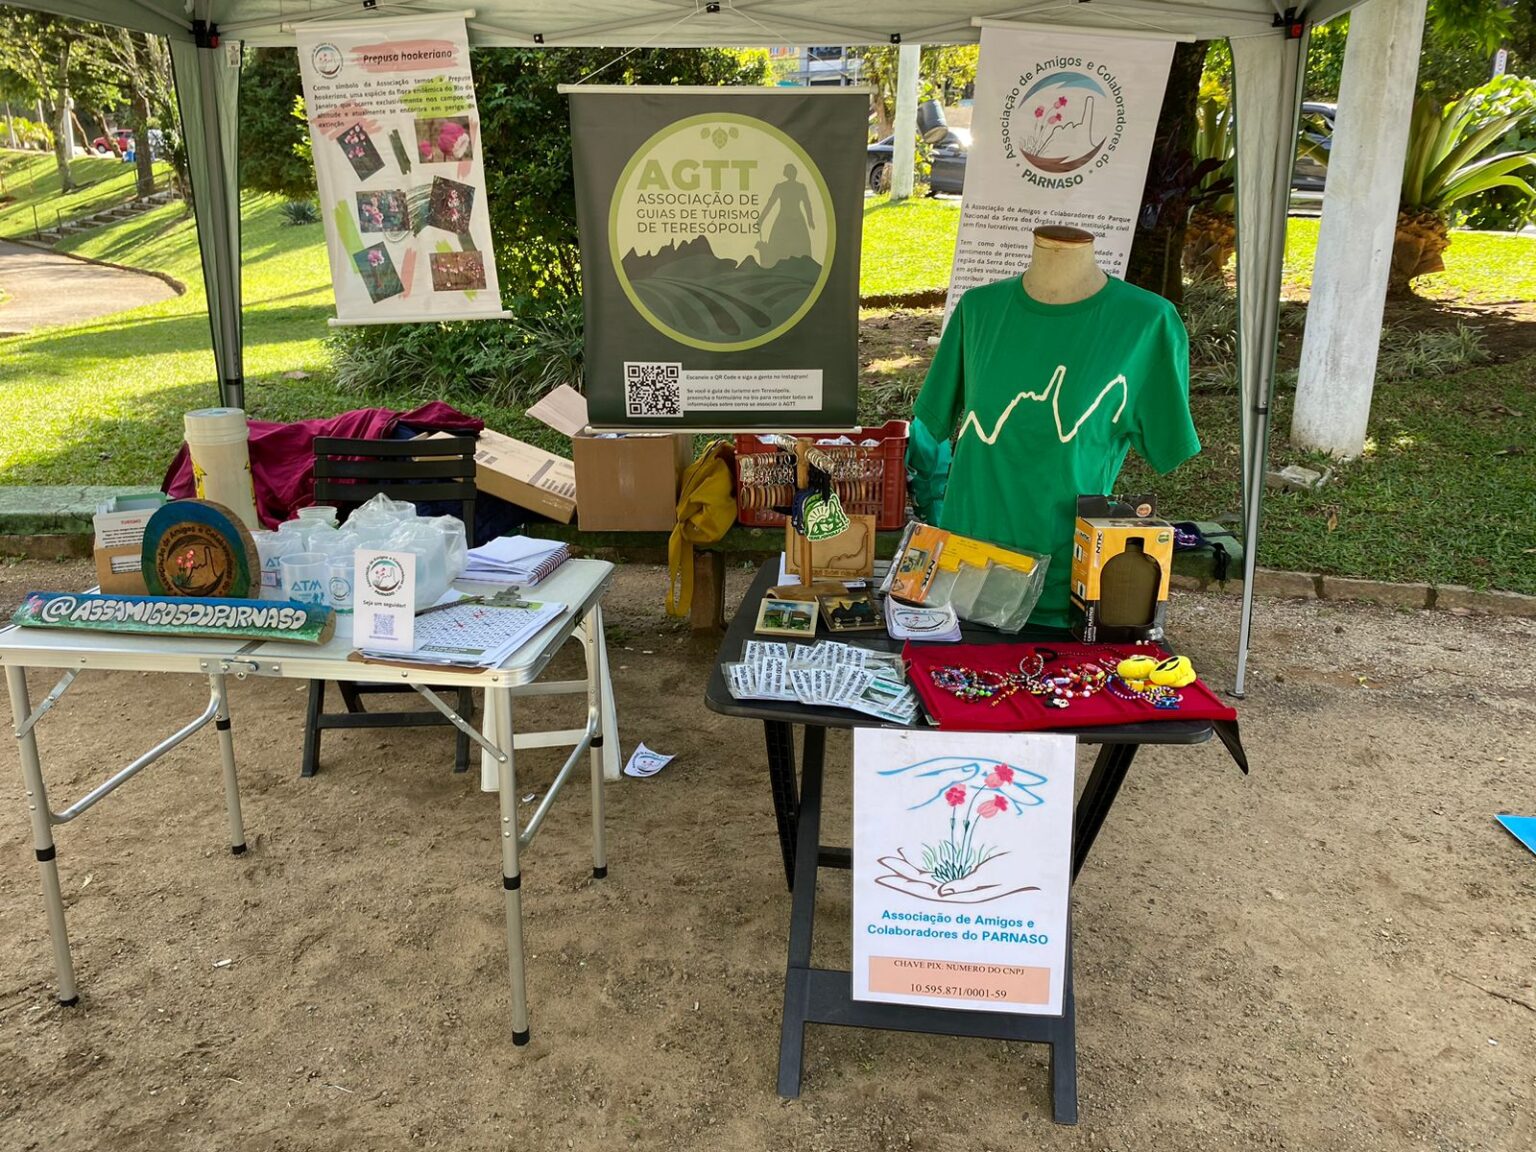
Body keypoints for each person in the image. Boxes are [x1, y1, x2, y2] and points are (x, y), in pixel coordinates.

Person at [756, 163, 814, 267]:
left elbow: (807, 204)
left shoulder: (791, 187)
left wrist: (810, 219)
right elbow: (770, 204)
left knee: (797, 251)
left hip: (790, 222)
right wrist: (761, 220)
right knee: (781, 252)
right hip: (789, 222)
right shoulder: (786, 187)